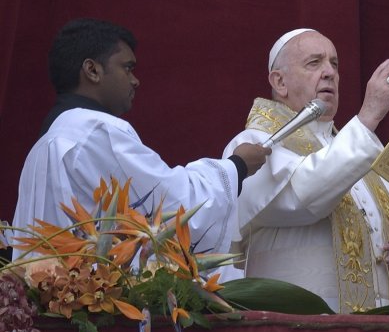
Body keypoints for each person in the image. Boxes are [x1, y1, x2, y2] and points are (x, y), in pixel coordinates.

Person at [12, 18, 269, 260]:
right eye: (127, 68)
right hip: (97, 298)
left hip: (57, 297)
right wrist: (237, 166)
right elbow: (171, 205)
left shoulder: (49, 139)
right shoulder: (96, 130)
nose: (135, 80)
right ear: (92, 70)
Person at [222, 28, 389, 313]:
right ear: (279, 81)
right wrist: (368, 118)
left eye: (334, 64)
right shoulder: (254, 144)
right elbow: (304, 198)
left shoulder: (358, 147)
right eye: (314, 63)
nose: (329, 73)